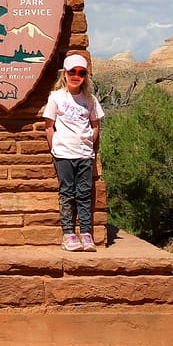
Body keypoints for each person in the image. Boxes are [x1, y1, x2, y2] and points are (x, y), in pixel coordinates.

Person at [43, 53, 105, 252]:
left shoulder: (90, 99)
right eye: (72, 72)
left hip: (84, 155)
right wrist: (55, 148)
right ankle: (68, 234)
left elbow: (96, 126)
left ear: (85, 75)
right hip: (63, 155)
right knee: (67, 193)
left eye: (81, 72)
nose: (76, 76)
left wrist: (88, 144)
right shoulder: (56, 97)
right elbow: (49, 126)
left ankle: (86, 234)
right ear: (65, 74)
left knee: (84, 194)